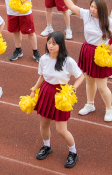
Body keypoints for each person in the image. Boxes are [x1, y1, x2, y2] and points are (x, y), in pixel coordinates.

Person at [62, 0, 112, 121]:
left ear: (101, 9)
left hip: (100, 53)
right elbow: (71, 6)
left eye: (95, 8)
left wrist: (110, 48)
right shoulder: (87, 15)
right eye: (91, 6)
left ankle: (109, 109)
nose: (92, 9)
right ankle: (90, 104)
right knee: (89, 80)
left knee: (102, 86)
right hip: (88, 50)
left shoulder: (109, 22)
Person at [30, 31, 84, 169]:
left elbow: (81, 76)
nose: (51, 46)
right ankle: (47, 146)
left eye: (54, 43)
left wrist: (73, 89)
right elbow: (42, 77)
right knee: (44, 124)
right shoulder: (43, 59)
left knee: (61, 130)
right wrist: (34, 90)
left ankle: (73, 153)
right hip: (46, 92)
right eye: (49, 43)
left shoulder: (68, 61)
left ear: (60, 45)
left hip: (61, 95)